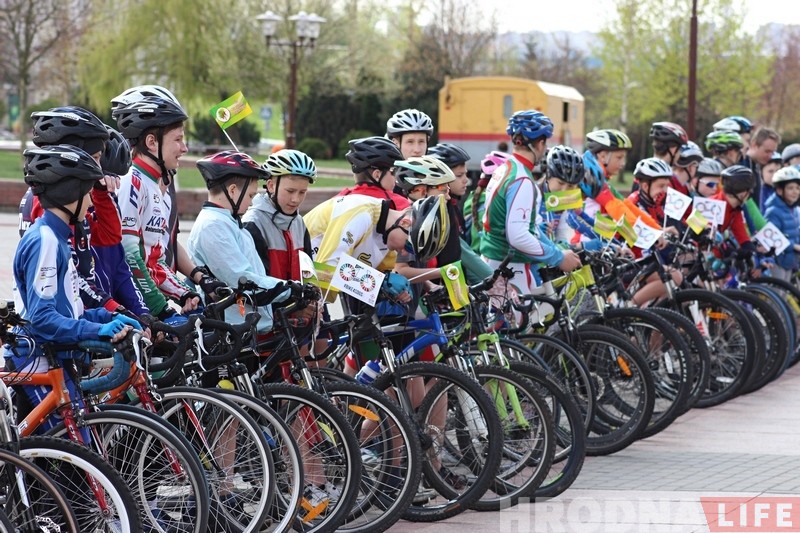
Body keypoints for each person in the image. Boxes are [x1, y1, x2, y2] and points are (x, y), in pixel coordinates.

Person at [3, 145, 140, 431]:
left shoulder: (58, 237)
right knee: (75, 450)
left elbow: (71, 307)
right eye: (88, 192)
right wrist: (96, 331)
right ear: (69, 193)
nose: (91, 201)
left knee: (64, 452)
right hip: (36, 358)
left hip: (54, 354)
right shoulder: (45, 241)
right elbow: (42, 319)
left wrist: (108, 319)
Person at [113, 96, 221, 322]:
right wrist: (161, 309)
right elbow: (129, 256)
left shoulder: (153, 185)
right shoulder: (131, 182)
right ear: (152, 142)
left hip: (148, 304)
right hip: (131, 310)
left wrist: (185, 293)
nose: (184, 148)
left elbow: (155, 260)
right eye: (178, 139)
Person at [481, 110, 581, 302]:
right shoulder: (522, 179)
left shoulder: (507, 169)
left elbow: (530, 227)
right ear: (541, 143)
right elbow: (518, 235)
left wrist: (558, 251)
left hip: (496, 262)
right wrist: (557, 257)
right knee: (523, 330)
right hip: (511, 267)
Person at [187, 150, 289, 331]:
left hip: (243, 330)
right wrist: (290, 289)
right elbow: (243, 281)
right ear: (233, 191)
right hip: (228, 334)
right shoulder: (213, 226)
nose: (251, 203)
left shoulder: (229, 222)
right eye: (250, 195)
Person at [336, 136, 410, 209]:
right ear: (377, 175)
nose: (396, 177)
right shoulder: (399, 204)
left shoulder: (337, 200)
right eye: (393, 171)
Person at [763, 166, 800, 281]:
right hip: (777, 261)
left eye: (798, 188)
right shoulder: (773, 211)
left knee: (784, 293)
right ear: (779, 190)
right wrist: (794, 246)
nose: (795, 192)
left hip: (789, 260)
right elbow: (772, 238)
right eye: (790, 188)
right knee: (777, 294)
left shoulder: (793, 210)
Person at [741, 126, 781, 211]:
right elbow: (746, 205)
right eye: (767, 151)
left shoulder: (756, 166)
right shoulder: (742, 167)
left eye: (772, 152)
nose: (770, 156)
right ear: (754, 145)